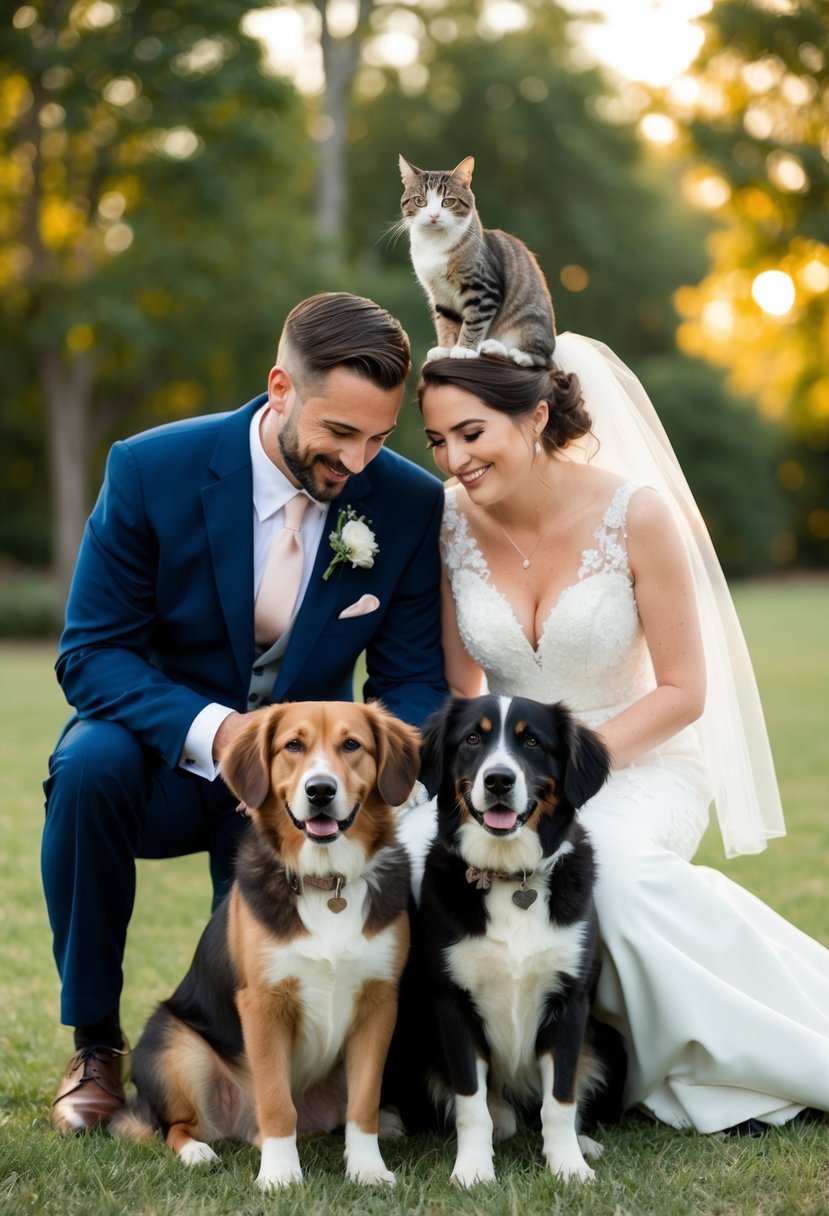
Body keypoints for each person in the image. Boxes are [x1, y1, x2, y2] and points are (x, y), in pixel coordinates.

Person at [44, 291, 448, 1134]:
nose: (359, 460)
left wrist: (364, 766)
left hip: (314, 787)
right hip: (166, 763)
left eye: (379, 437)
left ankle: (340, 1069)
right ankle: (94, 1045)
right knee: (86, 768)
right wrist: (219, 733)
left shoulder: (404, 504)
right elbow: (91, 653)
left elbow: (413, 683)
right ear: (279, 389)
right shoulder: (152, 468)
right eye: (339, 433)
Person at [412, 336, 829, 1135]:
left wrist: (566, 775)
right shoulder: (447, 523)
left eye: (471, 433)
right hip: (504, 778)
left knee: (612, 876)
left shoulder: (634, 513)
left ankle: (774, 1049)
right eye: (436, 440)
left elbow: (683, 691)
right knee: (411, 864)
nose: (453, 459)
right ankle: (454, 1083)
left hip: (639, 763)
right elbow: (462, 689)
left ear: (534, 416)